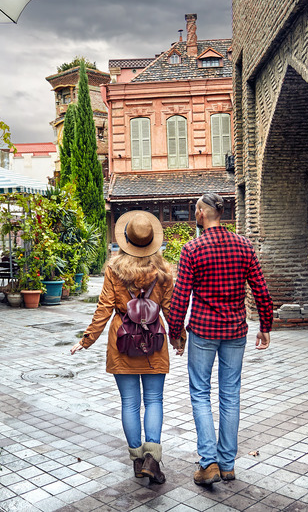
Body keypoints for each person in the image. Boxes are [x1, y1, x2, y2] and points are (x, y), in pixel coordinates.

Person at [167, 192, 274, 485]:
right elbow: (261, 290)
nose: (195, 215)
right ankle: (227, 464)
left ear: (202, 213)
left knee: (200, 392)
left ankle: (208, 462)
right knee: (230, 394)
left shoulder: (192, 249)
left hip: (203, 330)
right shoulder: (243, 246)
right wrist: (265, 325)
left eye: (196, 210)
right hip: (235, 330)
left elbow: (180, 296)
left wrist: (175, 332)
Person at [70, 210, 183, 484]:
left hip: (122, 341)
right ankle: (151, 459)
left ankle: (136, 461)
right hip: (154, 342)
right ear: (152, 240)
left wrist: (86, 340)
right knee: (154, 400)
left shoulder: (113, 270)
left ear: (126, 240)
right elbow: (170, 309)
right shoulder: (164, 272)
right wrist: (178, 338)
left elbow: (104, 309)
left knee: (130, 403)